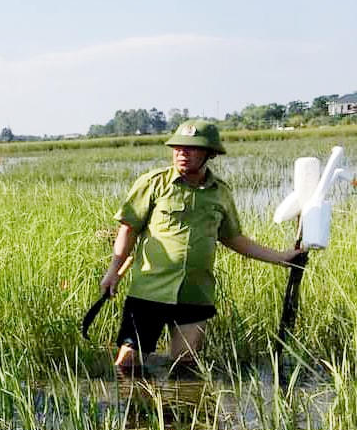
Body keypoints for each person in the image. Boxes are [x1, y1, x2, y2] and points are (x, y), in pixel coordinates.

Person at [99, 120, 300, 371]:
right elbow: (128, 228)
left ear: (210, 153)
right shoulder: (153, 183)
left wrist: (282, 257)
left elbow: (233, 238)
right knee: (128, 365)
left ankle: (178, 409)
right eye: (178, 148)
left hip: (195, 292)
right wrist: (113, 272)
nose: (182, 153)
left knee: (185, 366)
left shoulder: (220, 193)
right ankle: (135, 407)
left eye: (191, 149)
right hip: (150, 289)